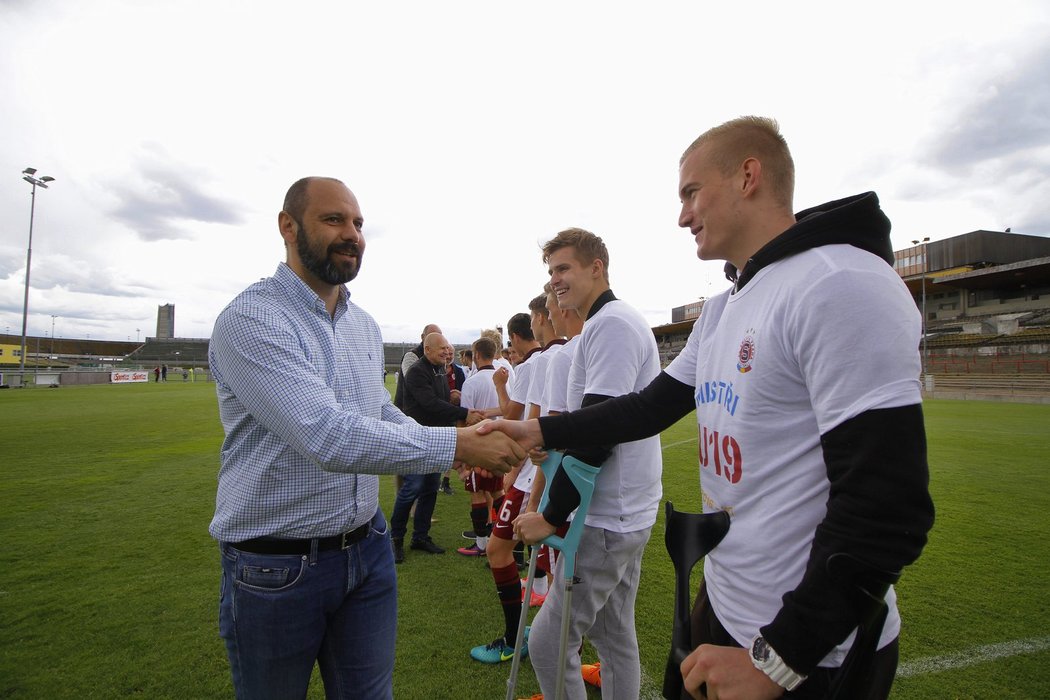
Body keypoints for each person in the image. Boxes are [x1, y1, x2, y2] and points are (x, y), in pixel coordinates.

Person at [485, 117, 935, 700]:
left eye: (691, 193)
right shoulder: (725, 307)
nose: (682, 215)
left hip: (812, 648)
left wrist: (779, 660)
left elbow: (887, 508)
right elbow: (647, 408)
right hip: (723, 603)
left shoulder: (841, 282)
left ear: (748, 176)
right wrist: (537, 427)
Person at [208, 176, 525, 700]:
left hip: (366, 550)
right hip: (276, 566)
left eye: (358, 223)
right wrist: (459, 446)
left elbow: (377, 412)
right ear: (288, 227)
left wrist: (464, 430)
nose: (352, 233)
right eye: (334, 220)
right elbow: (327, 436)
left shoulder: (361, 325)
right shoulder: (251, 318)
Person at [511, 228, 663, 700]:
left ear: (596, 266)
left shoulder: (612, 325)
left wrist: (550, 515)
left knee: (548, 643)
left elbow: (601, 433)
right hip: (622, 510)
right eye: (551, 271)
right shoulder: (606, 323)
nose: (555, 280)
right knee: (615, 636)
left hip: (608, 513)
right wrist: (552, 443)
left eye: (564, 268)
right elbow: (586, 424)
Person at [468, 311, 543, 664]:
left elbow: (516, 416)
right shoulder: (548, 358)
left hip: (532, 474)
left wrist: (515, 467)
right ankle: (543, 626)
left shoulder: (536, 363)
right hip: (540, 474)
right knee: (552, 555)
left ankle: (516, 639)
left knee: (499, 550)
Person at [392, 332, 485, 562]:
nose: (447, 352)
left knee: (430, 489)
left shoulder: (439, 370)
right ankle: (395, 540)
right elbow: (430, 404)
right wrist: (464, 413)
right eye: (442, 348)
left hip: (436, 440)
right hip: (418, 440)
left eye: (448, 348)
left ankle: (420, 537)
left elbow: (440, 401)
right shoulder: (417, 372)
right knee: (411, 489)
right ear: (427, 350)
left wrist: (452, 399)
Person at [455, 336, 506, 556]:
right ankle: (504, 536)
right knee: (497, 491)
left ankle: (482, 543)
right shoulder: (504, 377)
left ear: (475, 355)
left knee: (476, 493)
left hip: (478, 443)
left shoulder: (472, 381)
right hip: (500, 441)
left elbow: (465, 418)